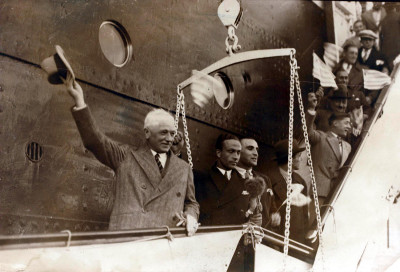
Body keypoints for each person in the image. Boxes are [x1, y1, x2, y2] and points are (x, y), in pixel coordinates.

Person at [64, 75, 199, 235]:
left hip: (166, 242)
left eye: (172, 133)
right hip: (129, 240)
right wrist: (80, 102)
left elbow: (191, 203)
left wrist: (191, 216)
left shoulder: (183, 168)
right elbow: (96, 141)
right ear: (147, 133)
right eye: (163, 133)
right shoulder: (125, 156)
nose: (169, 139)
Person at [194, 134, 261, 226]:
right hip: (210, 235)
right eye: (231, 151)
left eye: (238, 152)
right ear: (219, 153)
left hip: (234, 237)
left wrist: (253, 220)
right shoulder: (201, 177)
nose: (236, 157)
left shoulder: (245, 181)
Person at [306, 93, 352, 206]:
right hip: (320, 192)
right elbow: (308, 131)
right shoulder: (321, 137)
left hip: (337, 194)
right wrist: (312, 109)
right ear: (335, 123)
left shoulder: (348, 146)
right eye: (346, 123)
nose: (349, 126)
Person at [265, 139, 310, 244]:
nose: (301, 159)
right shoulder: (268, 179)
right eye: (298, 156)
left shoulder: (301, 181)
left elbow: (304, 216)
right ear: (290, 158)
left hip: (296, 239)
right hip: (276, 237)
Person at [235, 138, 281, 229]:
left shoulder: (264, 179)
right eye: (250, 148)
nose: (255, 153)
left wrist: (275, 217)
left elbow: (272, 207)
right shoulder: (230, 178)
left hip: (262, 238)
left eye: (257, 149)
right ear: (238, 152)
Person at [380, 3, 400, 71]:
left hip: (388, 51)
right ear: (394, 7)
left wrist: (382, 51)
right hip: (398, 49)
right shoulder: (398, 16)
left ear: (385, 8)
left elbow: (381, 38)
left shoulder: (383, 20)